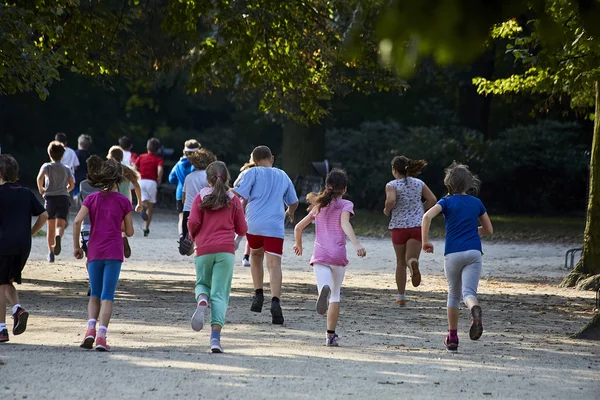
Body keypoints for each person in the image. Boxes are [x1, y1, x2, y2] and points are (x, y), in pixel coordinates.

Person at [421, 162, 493, 353]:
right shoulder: (476, 203)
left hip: (453, 253)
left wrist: (425, 241)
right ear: (469, 184)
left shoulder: (445, 202)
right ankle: (473, 310)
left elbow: (426, 217)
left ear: (449, 184)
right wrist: (471, 231)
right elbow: (488, 230)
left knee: (453, 295)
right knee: (468, 293)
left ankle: (452, 338)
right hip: (474, 253)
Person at [293, 169, 366, 347]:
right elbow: (344, 223)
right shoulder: (346, 204)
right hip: (338, 255)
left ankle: (322, 291)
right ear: (345, 188)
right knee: (335, 296)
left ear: (327, 186)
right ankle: (330, 336)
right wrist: (356, 244)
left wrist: (299, 244)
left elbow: (298, 227)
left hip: (320, 255)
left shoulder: (318, 206)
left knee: (325, 288)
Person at [232, 146, 299, 325]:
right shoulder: (282, 175)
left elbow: (238, 193)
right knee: (274, 264)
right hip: (274, 225)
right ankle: (275, 301)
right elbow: (294, 202)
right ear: (272, 158)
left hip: (254, 223)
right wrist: (289, 212)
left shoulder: (251, 173)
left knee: (255, 255)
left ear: (253, 160)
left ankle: (258, 293)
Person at [73, 158, 134, 352]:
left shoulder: (91, 199)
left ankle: (90, 329)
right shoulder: (124, 201)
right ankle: (102, 336)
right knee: (108, 295)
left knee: (95, 293)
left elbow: (76, 222)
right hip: (114, 252)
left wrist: (77, 247)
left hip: (94, 251)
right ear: (119, 178)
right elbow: (130, 231)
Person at [187, 161, 247, 353]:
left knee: (202, 283)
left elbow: (193, 221)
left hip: (203, 249)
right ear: (227, 177)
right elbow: (242, 228)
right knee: (220, 294)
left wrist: (193, 236)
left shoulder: (201, 197)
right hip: (226, 251)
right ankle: (215, 339)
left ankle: (202, 299)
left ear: (208, 179)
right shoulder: (233, 200)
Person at [0, 155, 48, 343]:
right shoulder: (26, 192)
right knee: (7, 280)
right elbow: (44, 215)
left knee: (0, 284)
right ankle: (17, 309)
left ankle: (2, 329)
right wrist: (30, 233)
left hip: (4, 243)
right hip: (23, 244)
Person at [383, 156, 437, 306]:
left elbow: (391, 200)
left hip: (399, 227)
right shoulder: (419, 183)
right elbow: (432, 199)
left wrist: (387, 210)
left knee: (400, 262)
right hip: (417, 226)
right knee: (411, 258)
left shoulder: (391, 185)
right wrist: (421, 210)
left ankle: (401, 297)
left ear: (394, 170)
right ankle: (413, 264)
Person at [37, 141, 75, 262]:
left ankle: (51, 252)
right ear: (62, 155)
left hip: (50, 199)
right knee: (60, 225)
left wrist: (41, 189)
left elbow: (39, 178)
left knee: (50, 227)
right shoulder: (66, 168)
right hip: (63, 198)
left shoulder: (46, 166)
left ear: (49, 154)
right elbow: (72, 184)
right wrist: (67, 190)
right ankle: (58, 237)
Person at [107, 146, 143, 257]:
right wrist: (139, 203)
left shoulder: (107, 170)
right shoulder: (126, 169)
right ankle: (124, 237)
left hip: (111, 202)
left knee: (112, 225)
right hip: (125, 201)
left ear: (110, 157)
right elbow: (136, 185)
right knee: (124, 224)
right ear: (122, 157)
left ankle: (115, 246)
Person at [180, 149, 217, 256]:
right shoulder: (209, 177)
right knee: (204, 235)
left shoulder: (189, 177)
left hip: (188, 210)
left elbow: (184, 197)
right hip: (204, 210)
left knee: (189, 232)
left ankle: (187, 241)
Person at [77, 156, 103, 296]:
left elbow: (80, 203)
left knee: (89, 256)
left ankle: (92, 283)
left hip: (86, 224)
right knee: (101, 256)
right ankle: (98, 282)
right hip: (102, 225)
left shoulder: (82, 184)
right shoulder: (105, 186)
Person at [169, 139, 201, 246]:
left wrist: (179, 182)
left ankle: (182, 236)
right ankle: (194, 237)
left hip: (180, 194)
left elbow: (171, 178)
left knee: (182, 217)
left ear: (184, 152)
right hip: (195, 193)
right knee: (197, 216)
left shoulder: (179, 164)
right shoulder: (196, 165)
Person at [134, 138, 164, 236]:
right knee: (150, 207)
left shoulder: (141, 157)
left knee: (143, 199)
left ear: (147, 147)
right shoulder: (158, 159)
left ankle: (143, 206)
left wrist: (138, 174)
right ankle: (146, 228)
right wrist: (159, 178)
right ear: (158, 149)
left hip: (141, 181)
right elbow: (160, 170)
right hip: (152, 182)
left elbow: (134, 167)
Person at [234, 154, 255, 267]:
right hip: (253, 204)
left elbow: (235, 184)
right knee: (250, 231)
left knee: (241, 230)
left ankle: (235, 245)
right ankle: (246, 256)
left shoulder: (245, 171)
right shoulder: (260, 173)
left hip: (242, 202)